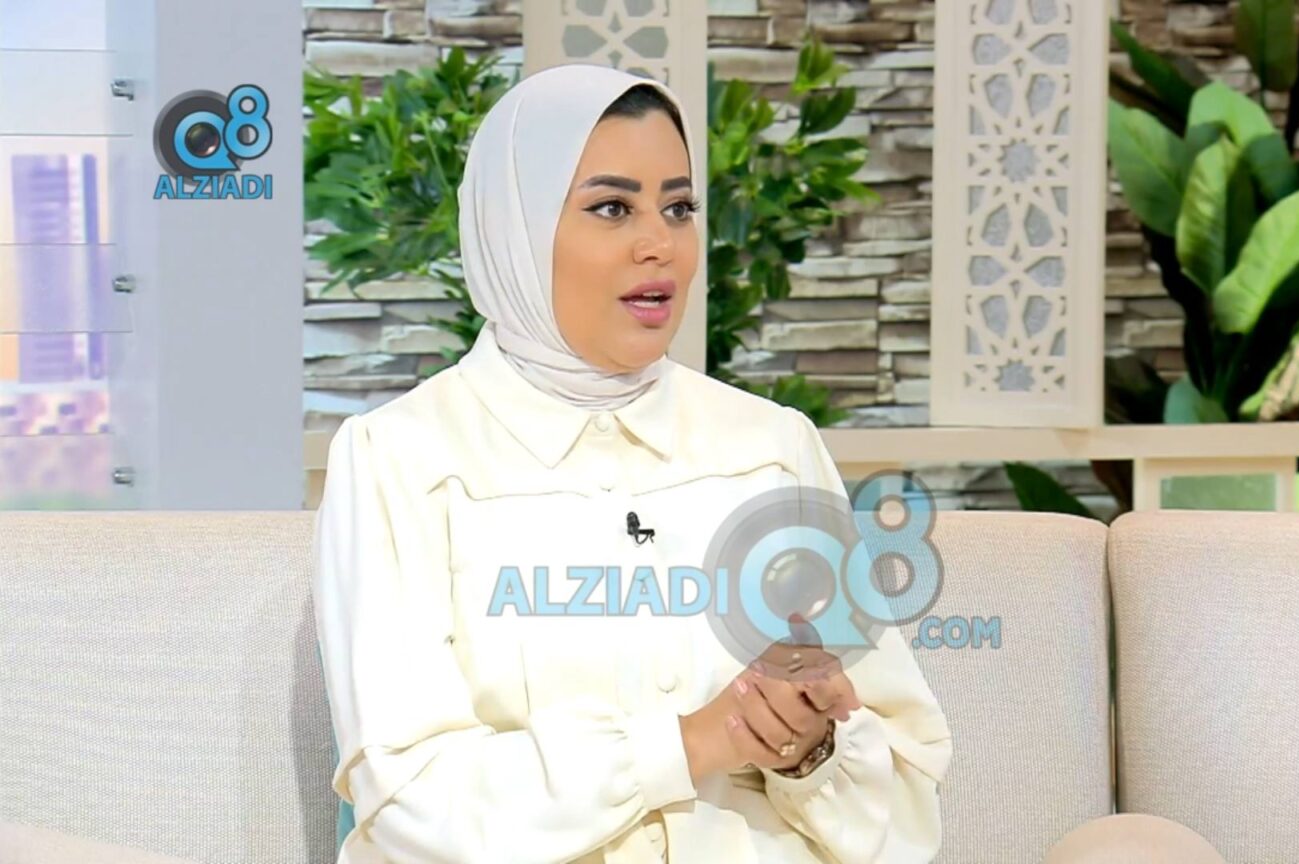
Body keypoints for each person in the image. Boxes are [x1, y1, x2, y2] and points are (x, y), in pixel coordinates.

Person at [311, 64, 951, 864]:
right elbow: (410, 799)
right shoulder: (397, 457)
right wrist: (692, 742)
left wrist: (806, 751)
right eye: (612, 208)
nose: (660, 246)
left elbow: (906, 806)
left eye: (678, 208)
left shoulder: (774, 447)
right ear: (516, 228)